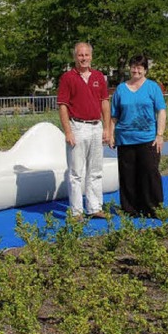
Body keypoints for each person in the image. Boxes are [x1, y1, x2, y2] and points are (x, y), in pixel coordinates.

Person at [57, 42, 111, 219]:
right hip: (77, 126)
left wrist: (107, 127)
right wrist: (68, 131)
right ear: (75, 57)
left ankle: (94, 207)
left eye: (86, 55)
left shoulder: (98, 77)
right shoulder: (67, 78)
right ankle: (76, 211)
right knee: (75, 173)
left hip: (96, 126)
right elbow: (63, 106)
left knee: (95, 170)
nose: (84, 58)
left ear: (91, 57)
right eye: (80, 55)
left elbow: (104, 102)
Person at [110, 54, 166, 218]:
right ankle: (130, 209)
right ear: (130, 68)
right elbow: (114, 115)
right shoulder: (120, 89)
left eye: (140, 67)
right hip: (125, 138)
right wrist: (111, 134)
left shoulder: (152, 87)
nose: (136, 70)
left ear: (145, 70)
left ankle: (154, 208)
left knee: (150, 172)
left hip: (148, 138)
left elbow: (161, 111)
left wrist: (160, 135)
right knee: (128, 175)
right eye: (134, 67)